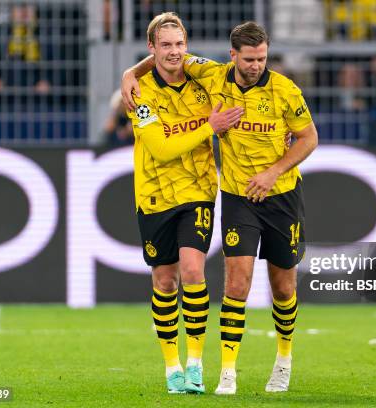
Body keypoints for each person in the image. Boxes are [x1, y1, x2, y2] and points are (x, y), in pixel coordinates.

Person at [122, 21, 318, 395]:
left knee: (282, 285)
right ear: (233, 56)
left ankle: (283, 360)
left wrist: (275, 170)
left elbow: (309, 137)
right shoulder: (210, 77)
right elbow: (165, 67)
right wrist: (130, 71)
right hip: (231, 193)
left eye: (261, 58)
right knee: (233, 282)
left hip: (279, 194)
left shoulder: (284, 90)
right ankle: (224, 372)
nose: (255, 65)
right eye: (249, 59)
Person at [126, 12, 243, 394]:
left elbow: (239, 76)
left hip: (198, 191)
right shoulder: (139, 93)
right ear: (152, 48)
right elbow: (159, 148)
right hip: (155, 194)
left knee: (193, 271)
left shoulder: (202, 75)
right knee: (164, 280)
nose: (174, 52)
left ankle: (195, 363)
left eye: (179, 44)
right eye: (165, 45)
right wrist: (209, 127)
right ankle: (171, 366)